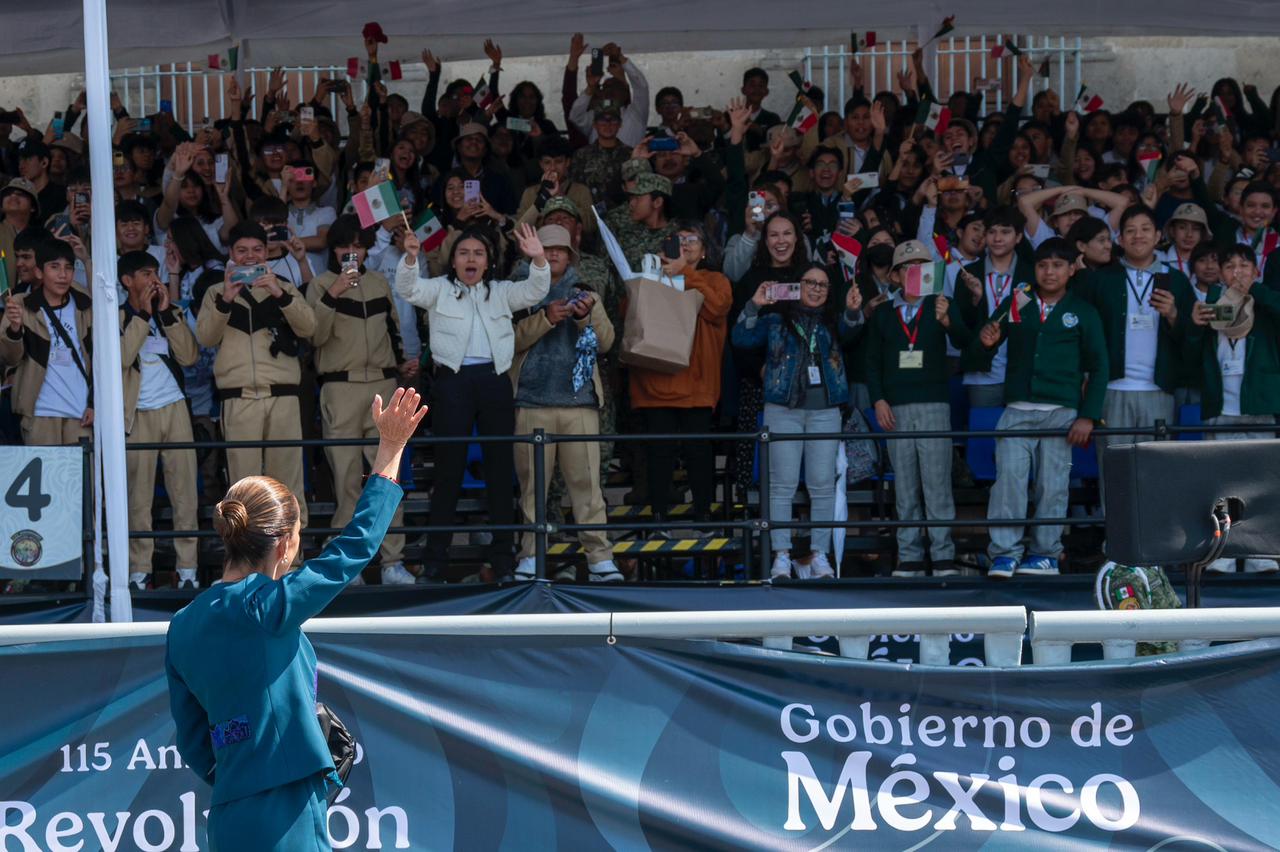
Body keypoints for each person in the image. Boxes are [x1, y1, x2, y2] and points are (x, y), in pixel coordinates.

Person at [166, 387, 425, 852]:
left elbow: (194, 743)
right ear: (284, 543)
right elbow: (355, 549)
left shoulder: (182, 625)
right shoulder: (268, 606)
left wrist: (247, 759)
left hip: (228, 816)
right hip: (286, 814)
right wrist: (390, 449)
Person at [395, 222, 550, 580]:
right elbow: (408, 288)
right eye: (464, 252)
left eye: (478, 253)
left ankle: (502, 560)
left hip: (495, 382)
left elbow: (535, 291)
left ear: (488, 261)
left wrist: (538, 258)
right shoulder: (439, 289)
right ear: (453, 261)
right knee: (448, 472)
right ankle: (435, 561)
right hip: (452, 381)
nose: (470, 258)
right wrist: (410, 257)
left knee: (499, 471)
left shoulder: (500, 291)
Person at [973, 238, 1109, 578]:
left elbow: (1100, 366)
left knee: (1053, 484)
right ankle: (1004, 553)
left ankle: (1046, 553)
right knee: (1009, 482)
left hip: (1062, 411)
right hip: (1017, 408)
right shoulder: (1018, 301)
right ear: (1034, 269)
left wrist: (1088, 415)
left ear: (1070, 269)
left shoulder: (1083, 311)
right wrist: (985, 343)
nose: (1049, 271)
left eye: (1058, 265)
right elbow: (980, 349)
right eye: (1043, 265)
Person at [307, 216, 418, 585]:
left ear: (368, 249)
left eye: (358, 245)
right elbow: (315, 337)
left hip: (385, 384)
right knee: (345, 482)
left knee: (387, 478)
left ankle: (392, 561)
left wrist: (403, 364)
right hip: (340, 386)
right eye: (343, 246)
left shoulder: (379, 281)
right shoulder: (321, 285)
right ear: (334, 250)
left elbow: (394, 331)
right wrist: (334, 292)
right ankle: (344, 567)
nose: (351, 252)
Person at [733, 263, 863, 579]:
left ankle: (820, 556)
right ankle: (781, 556)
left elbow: (852, 331)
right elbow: (741, 338)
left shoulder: (832, 321)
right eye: (810, 282)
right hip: (783, 409)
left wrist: (852, 311)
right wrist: (754, 304)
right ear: (797, 285)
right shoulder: (776, 320)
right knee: (782, 485)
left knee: (822, 485)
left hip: (825, 411)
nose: (816, 289)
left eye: (822, 284)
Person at [510, 224, 621, 582]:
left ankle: (599, 558)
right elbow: (506, 341)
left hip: (579, 404)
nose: (554, 254)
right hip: (531, 401)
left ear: (570, 255)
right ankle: (529, 556)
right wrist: (545, 318)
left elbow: (606, 343)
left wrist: (584, 316)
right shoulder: (520, 292)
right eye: (547, 248)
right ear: (533, 251)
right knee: (532, 490)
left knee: (588, 488)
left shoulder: (586, 291)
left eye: (559, 249)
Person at [195, 222, 316, 532]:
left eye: (257, 250)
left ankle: (292, 561)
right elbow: (206, 338)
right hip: (239, 397)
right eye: (242, 251)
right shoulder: (214, 291)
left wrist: (277, 292)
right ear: (231, 254)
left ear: (267, 252)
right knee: (242, 488)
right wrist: (227, 297)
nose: (250, 257)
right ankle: (245, 565)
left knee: (288, 485)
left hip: (283, 395)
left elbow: (310, 328)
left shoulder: (284, 285)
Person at [1072, 205, 1198, 490]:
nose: (1137, 236)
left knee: (1157, 473)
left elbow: (1194, 341)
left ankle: (1154, 536)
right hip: (1112, 389)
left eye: (1144, 229)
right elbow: (1083, 336)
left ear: (1157, 236)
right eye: (1130, 230)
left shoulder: (1176, 280)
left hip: (1159, 390)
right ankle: (1115, 535)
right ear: (1120, 239)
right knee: (1114, 473)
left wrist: (1174, 316)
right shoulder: (1101, 279)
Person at [866, 239, 970, 576]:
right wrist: (878, 399)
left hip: (934, 403)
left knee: (937, 482)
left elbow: (967, 343)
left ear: (933, 272)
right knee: (905, 484)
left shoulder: (942, 303)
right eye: (908, 268)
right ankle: (908, 555)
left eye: (923, 267)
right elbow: (873, 362)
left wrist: (948, 321)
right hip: (896, 405)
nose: (916, 273)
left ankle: (942, 556)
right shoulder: (882, 312)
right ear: (895, 276)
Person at [1190, 244, 1280, 573]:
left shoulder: (1267, 308)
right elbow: (1190, 355)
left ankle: (1261, 555)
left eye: (1245, 266)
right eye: (1230, 266)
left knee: (1263, 487)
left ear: (1256, 271)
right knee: (1220, 486)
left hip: (1258, 408)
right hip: (1220, 408)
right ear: (1221, 273)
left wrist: (1256, 288)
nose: (1237, 272)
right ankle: (1223, 555)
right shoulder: (1211, 307)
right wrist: (1192, 323)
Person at [118, 250, 201, 591]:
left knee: (185, 494)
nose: (154, 279)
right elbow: (121, 357)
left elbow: (190, 357)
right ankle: (140, 571)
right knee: (138, 496)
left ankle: (188, 571)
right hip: (136, 411)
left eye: (156, 272)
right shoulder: (116, 315)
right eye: (145, 273)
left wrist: (165, 312)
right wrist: (142, 314)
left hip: (175, 406)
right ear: (127, 281)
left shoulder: (172, 311)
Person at [1, 237, 93, 446]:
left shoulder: (83, 304)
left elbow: (99, 357)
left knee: (81, 478)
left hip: (80, 413)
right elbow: (9, 357)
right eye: (54, 267)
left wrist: (94, 403)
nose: (62, 275)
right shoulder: (21, 304)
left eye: (68, 268)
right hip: (39, 412)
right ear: (39, 272)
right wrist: (14, 328)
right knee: (48, 478)